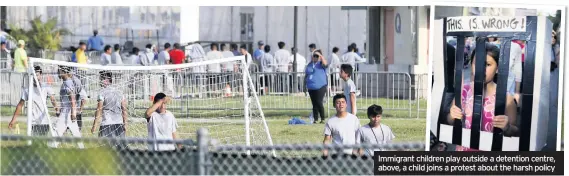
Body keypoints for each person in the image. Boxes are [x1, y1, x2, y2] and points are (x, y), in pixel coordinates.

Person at [448, 43, 518, 151]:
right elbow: (449, 121)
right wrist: (452, 115)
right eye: (477, 63)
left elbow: (515, 132)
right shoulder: (463, 91)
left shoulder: (506, 98)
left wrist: (507, 127)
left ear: (498, 68)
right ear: (472, 65)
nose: (481, 69)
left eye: (488, 64)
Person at [8, 66, 58, 136]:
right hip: (33, 121)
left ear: (41, 75)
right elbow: (20, 105)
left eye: (37, 75)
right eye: (33, 75)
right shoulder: (27, 89)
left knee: (42, 142)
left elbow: (53, 99)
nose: (35, 77)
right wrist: (13, 120)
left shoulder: (46, 87)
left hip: (44, 120)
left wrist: (57, 109)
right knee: (34, 142)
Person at [91, 71, 128, 148]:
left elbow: (99, 109)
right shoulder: (119, 92)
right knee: (120, 149)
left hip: (106, 124)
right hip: (119, 124)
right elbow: (124, 109)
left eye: (101, 79)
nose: (99, 81)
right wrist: (125, 124)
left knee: (104, 150)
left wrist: (94, 126)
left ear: (106, 80)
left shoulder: (102, 92)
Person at [54, 66, 84, 148]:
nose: (57, 72)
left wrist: (73, 114)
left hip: (67, 114)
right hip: (67, 113)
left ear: (63, 71)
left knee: (55, 134)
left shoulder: (68, 83)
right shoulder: (65, 82)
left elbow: (73, 99)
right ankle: (83, 150)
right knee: (77, 136)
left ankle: (50, 150)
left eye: (59, 71)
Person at [306, 49, 328, 123]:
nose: (315, 57)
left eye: (316, 56)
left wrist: (320, 56)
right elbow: (307, 74)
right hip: (311, 87)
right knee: (314, 103)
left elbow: (325, 64)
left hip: (320, 86)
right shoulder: (309, 64)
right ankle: (315, 119)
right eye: (314, 55)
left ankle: (322, 118)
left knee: (319, 102)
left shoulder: (321, 64)